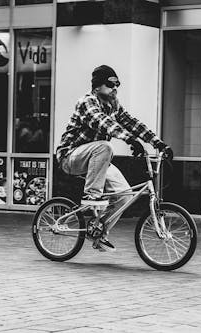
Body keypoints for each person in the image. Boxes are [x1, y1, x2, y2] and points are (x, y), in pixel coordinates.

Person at [56, 65, 173, 252]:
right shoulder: (87, 102)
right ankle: (91, 196)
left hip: (97, 160)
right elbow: (104, 123)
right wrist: (129, 140)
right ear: (97, 87)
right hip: (71, 156)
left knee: (125, 195)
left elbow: (133, 124)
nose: (115, 88)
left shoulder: (113, 104)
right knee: (105, 145)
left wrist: (158, 143)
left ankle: (99, 232)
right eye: (110, 84)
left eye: (117, 84)